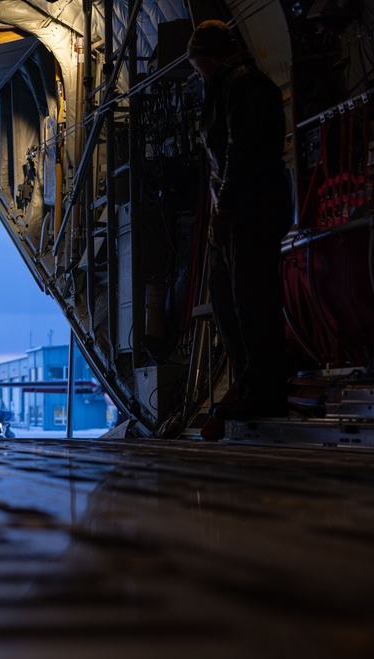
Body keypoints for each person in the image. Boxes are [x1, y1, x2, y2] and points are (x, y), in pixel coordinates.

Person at [187, 20, 292, 420]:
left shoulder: (244, 87)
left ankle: (266, 389)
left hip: (251, 207)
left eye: (198, 64)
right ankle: (249, 380)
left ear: (211, 58)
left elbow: (239, 152)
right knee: (226, 294)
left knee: (253, 299)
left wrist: (225, 208)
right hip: (235, 210)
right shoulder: (225, 88)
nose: (196, 72)